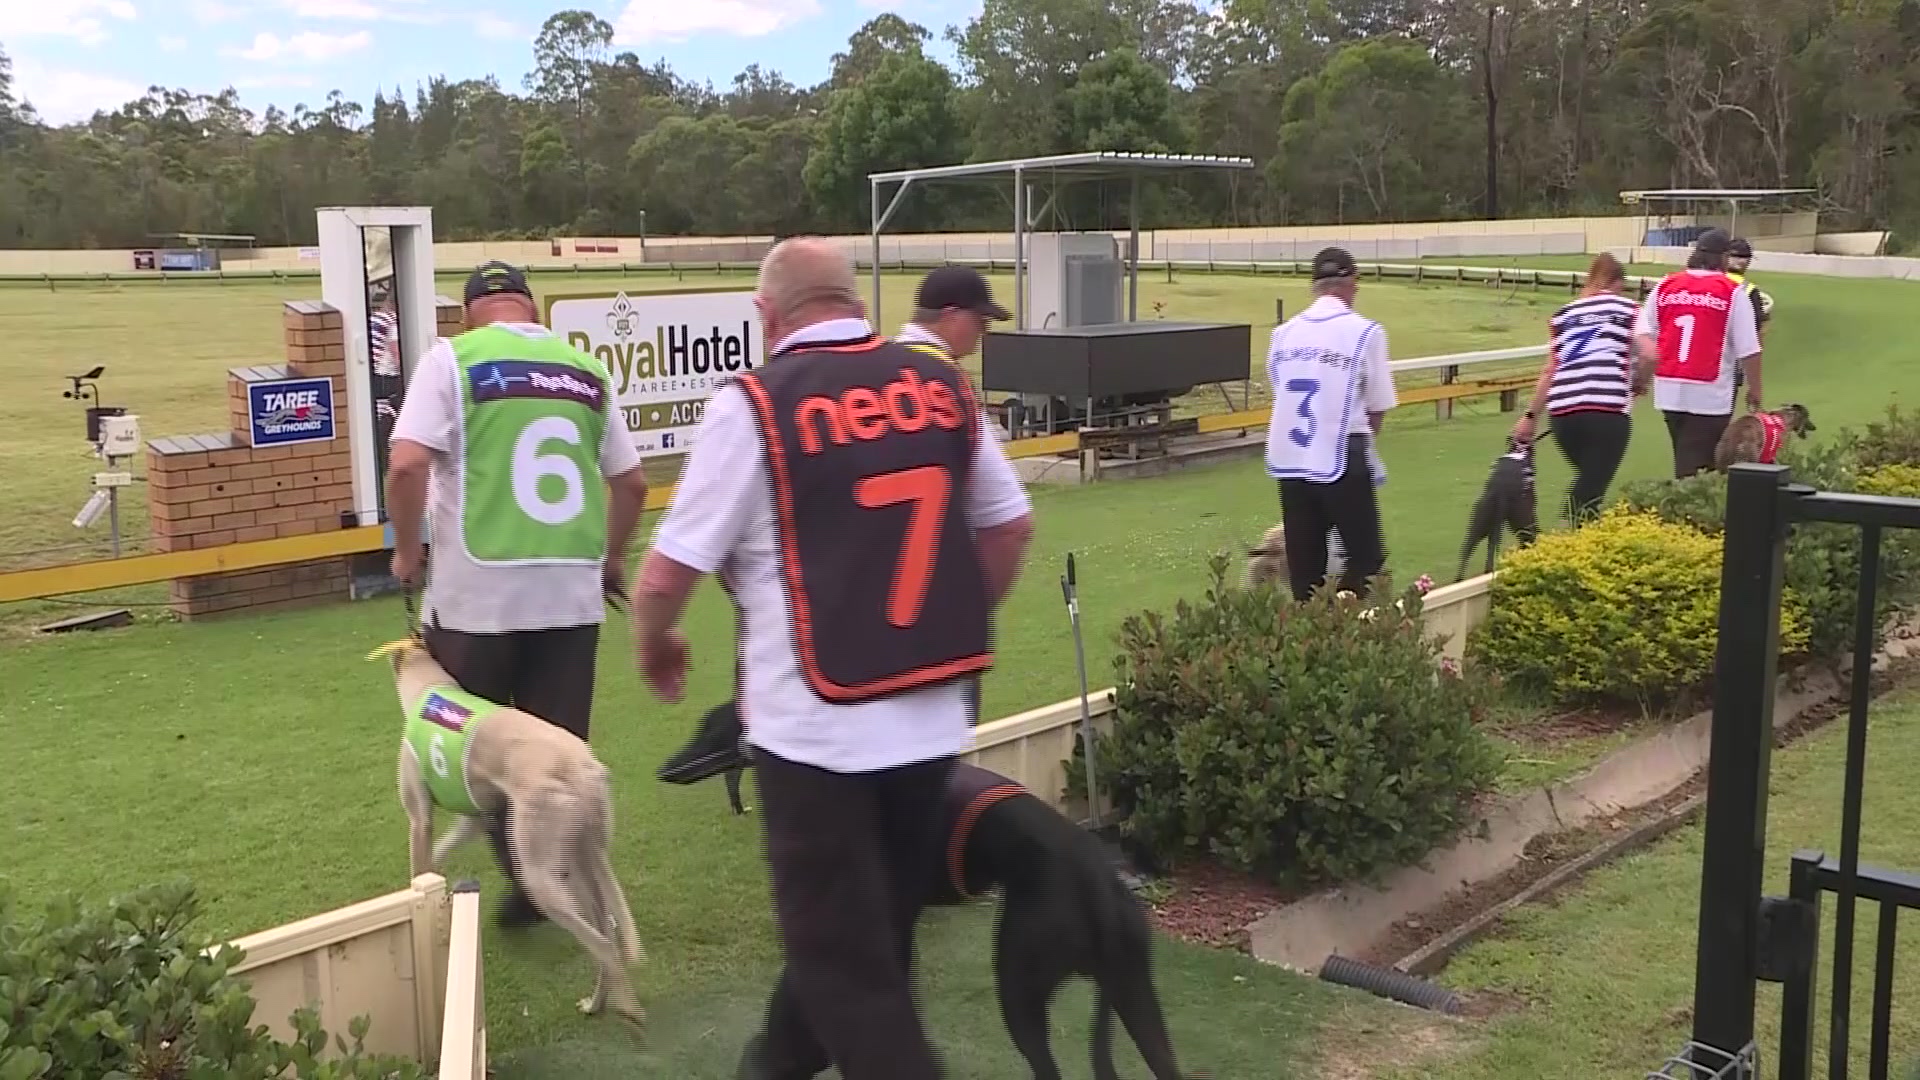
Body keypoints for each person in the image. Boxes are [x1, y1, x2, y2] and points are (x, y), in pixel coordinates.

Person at [630, 237, 1035, 1080]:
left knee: (850, 971)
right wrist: (942, 625)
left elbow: (667, 574)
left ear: (766, 315)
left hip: (813, 738)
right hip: (929, 727)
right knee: (868, 936)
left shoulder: (754, 402)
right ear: (853, 302)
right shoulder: (939, 385)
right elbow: (1009, 526)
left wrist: (657, 641)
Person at [384, 260, 650, 929]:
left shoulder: (453, 359)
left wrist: (406, 551)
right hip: (570, 599)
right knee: (551, 755)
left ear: (472, 312)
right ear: (532, 310)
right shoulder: (585, 369)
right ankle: (544, 873)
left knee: (466, 750)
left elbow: (408, 462)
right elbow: (633, 485)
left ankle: (475, 880)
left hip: (475, 599)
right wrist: (613, 557)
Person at [1264, 246, 1396, 601]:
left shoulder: (1283, 334)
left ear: (1315, 287)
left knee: (1305, 569)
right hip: (1342, 452)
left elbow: (1280, 391)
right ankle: (1352, 628)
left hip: (1291, 458)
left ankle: (1312, 638)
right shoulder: (1366, 332)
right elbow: (1378, 406)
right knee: (1368, 559)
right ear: (1352, 282)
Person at [1513, 253, 1640, 524]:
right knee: (1590, 486)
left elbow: (1550, 370)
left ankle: (1587, 541)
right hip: (1607, 409)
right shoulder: (1629, 309)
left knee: (1592, 480)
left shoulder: (1563, 316)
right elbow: (1651, 354)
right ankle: (1563, 541)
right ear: (1616, 283)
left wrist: (1530, 417)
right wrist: (1641, 381)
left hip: (1562, 414)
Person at [1633, 229, 1764, 479]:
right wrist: (1756, 389)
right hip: (1710, 392)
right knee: (1697, 467)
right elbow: (1750, 349)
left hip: (1669, 388)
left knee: (1686, 452)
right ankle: (1688, 512)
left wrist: (1641, 376)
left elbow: (1644, 335)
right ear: (1723, 258)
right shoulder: (1732, 292)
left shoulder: (1665, 285)